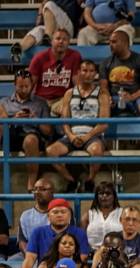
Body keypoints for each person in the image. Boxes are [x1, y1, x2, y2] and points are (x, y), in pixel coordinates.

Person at [46, 61, 110, 193]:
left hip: (92, 135)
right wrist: (71, 136)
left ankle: (90, 180)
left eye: (91, 71)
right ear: (79, 73)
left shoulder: (102, 93)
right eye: (85, 71)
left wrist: (86, 137)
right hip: (72, 135)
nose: (88, 74)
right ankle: (71, 181)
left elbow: (104, 123)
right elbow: (64, 120)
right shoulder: (70, 93)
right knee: (51, 151)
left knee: (97, 151)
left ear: (95, 74)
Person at [0, 72, 52, 192]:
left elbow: (48, 132)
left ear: (32, 85)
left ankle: (31, 184)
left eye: (27, 86)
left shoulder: (41, 103)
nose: (24, 90)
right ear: (14, 85)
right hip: (11, 134)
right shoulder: (4, 102)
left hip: (32, 135)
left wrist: (35, 119)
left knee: (30, 139)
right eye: (21, 86)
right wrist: (14, 120)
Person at [20, 198, 90, 268]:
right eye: (55, 212)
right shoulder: (38, 232)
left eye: (63, 212)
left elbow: (82, 257)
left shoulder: (79, 233)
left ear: (69, 216)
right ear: (48, 216)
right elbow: (30, 258)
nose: (59, 215)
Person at [99, 31, 140, 118]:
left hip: (137, 98)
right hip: (115, 98)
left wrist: (132, 96)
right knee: (103, 103)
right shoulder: (105, 63)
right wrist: (107, 98)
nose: (110, 45)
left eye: (114, 42)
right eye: (110, 42)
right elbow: (103, 88)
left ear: (124, 43)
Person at [27, 27, 81, 116]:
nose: (61, 42)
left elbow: (77, 84)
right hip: (41, 99)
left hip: (62, 99)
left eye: (64, 39)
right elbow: (30, 84)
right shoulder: (39, 57)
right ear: (51, 41)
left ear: (68, 43)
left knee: (70, 108)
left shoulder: (75, 56)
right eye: (58, 38)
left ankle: (65, 125)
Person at [12, 0, 81, 63]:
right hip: (50, 25)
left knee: (49, 5)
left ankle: (48, 38)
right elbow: (43, 4)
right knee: (38, 30)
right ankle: (19, 49)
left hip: (67, 24)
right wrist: (39, 15)